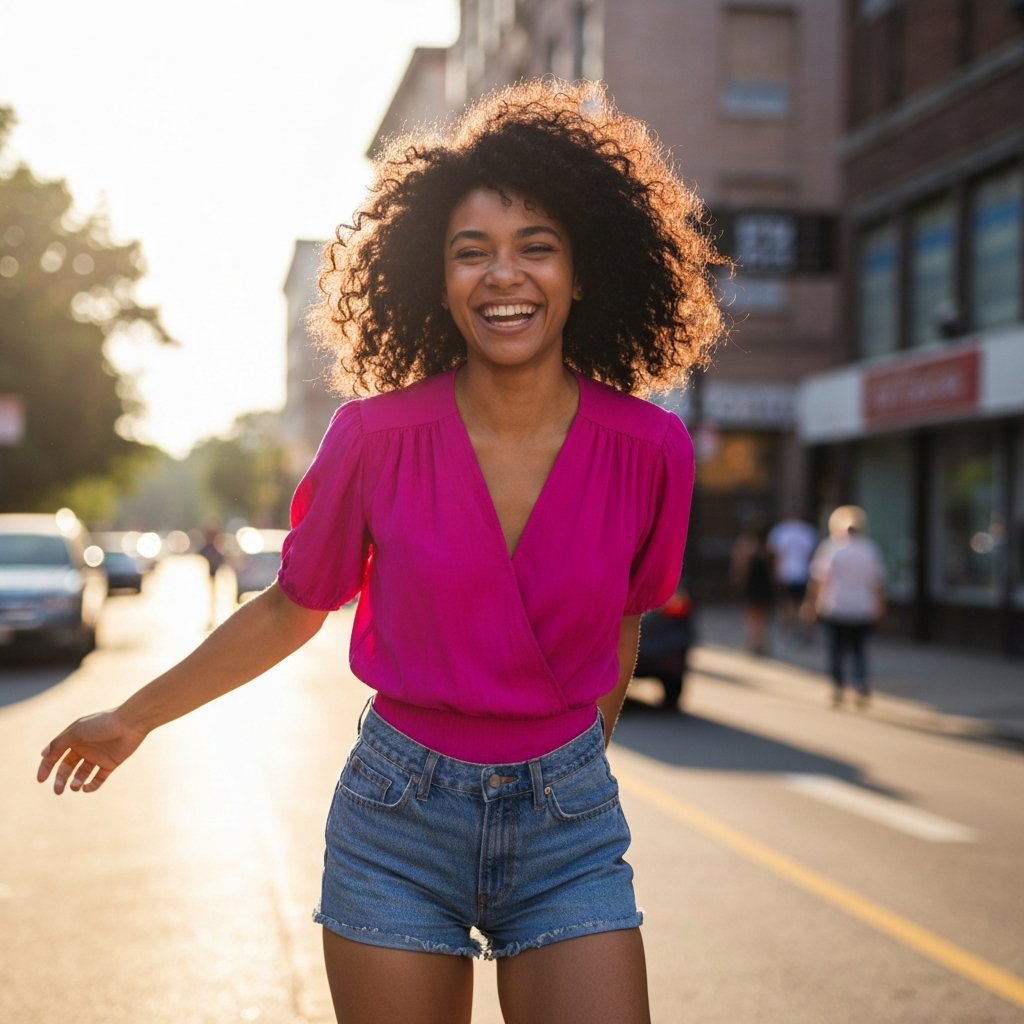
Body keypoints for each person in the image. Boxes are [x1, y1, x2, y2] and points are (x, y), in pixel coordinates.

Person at [36, 79, 725, 1024]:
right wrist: (135, 715)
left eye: (537, 248)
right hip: (397, 820)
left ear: (582, 268)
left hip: (569, 829)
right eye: (470, 253)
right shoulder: (373, 438)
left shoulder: (649, 450)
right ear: (434, 279)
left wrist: (572, 762)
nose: (503, 276)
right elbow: (291, 606)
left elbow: (623, 620)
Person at [804, 505, 886, 709]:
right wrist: (879, 605)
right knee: (859, 650)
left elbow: (820, 579)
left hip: (836, 607)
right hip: (861, 607)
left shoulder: (831, 547)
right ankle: (860, 682)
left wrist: (812, 604)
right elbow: (877, 582)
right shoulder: (869, 548)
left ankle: (838, 686)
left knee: (836, 650)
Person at [767, 513, 817, 645]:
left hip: (785, 573)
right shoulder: (807, 530)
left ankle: (787, 634)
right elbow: (812, 554)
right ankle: (804, 633)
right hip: (803, 573)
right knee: (802, 605)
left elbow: (776, 555)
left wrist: (774, 574)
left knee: (785, 605)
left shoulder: (780, 530)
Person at [730, 517, 776, 655]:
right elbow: (774, 568)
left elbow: (741, 566)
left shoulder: (746, 546)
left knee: (751, 614)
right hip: (764, 584)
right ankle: (759, 641)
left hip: (752, 583)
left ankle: (753, 641)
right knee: (762, 615)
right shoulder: (769, 547)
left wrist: (738, 579)